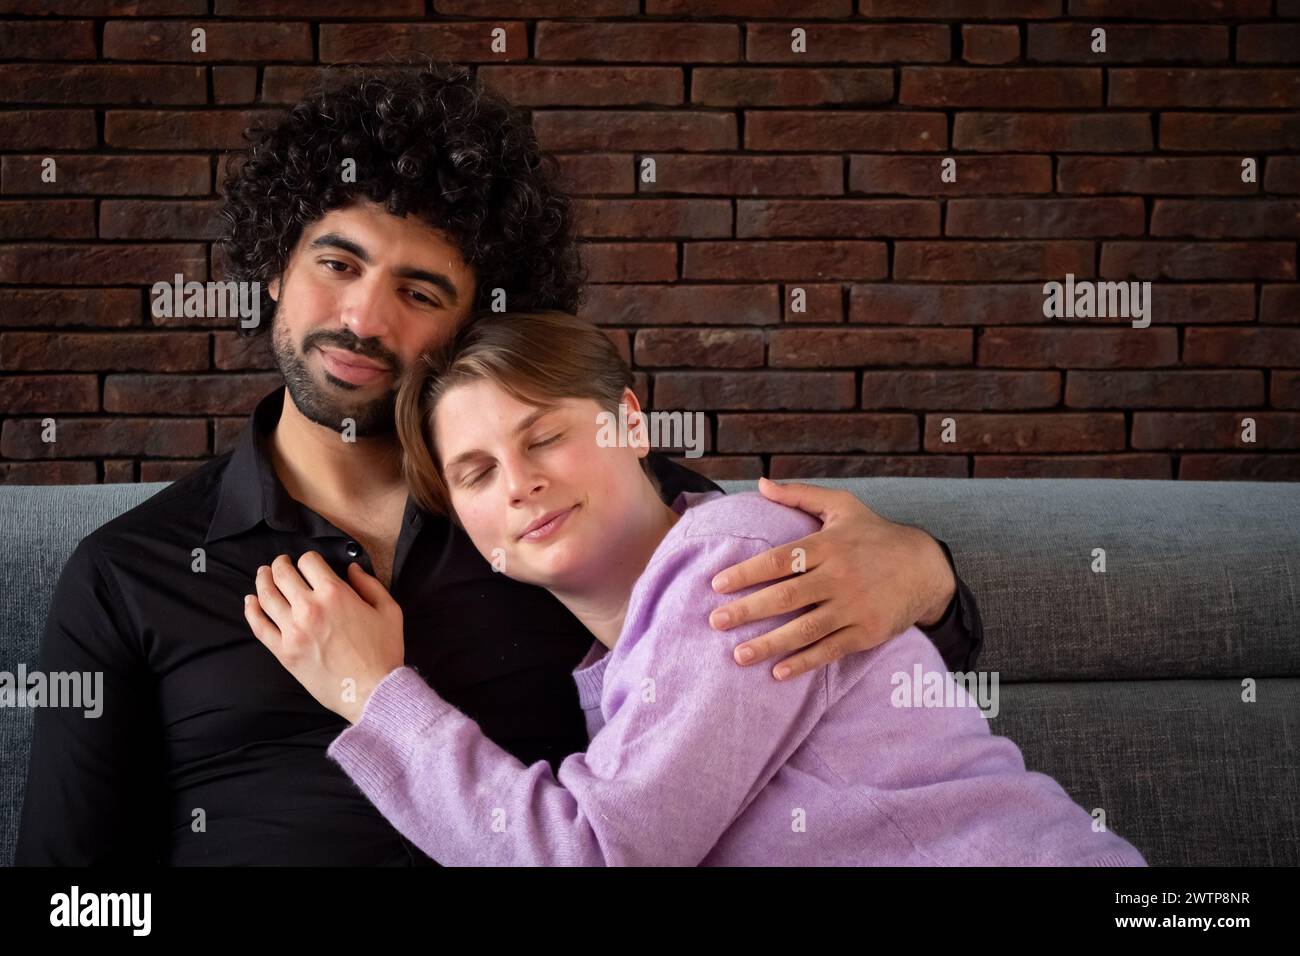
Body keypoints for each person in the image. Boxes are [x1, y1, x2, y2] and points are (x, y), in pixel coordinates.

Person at [16, 63, 982, 866]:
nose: (362, 318)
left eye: (419, 288)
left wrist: (926, 576)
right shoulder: (131, 575)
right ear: (275, 266)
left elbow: (840, 688)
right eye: (337, 264)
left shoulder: (578, 509)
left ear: (475, 322)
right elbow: (70, 891)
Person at [246, 310, 1146, 866]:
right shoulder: (622, 665)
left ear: (633, 423)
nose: (517, 482)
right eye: (476, 474)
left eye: (545, 437)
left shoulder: (734, 558)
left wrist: (374, 696)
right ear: (476, 536)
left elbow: (592, 856)